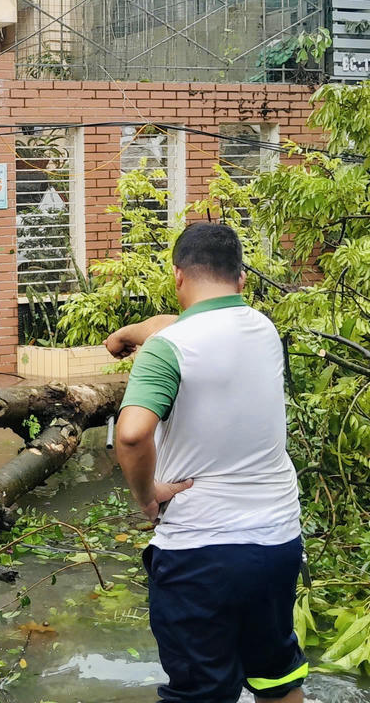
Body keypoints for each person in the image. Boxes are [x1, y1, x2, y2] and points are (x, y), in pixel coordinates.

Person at [108, 222, 306, 703]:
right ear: (241, 280)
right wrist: (126, 334)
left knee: (202, 693)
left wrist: (148, 496)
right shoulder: (264, 329)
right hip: (277, 541)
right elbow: (181, 326)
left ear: (177, 277)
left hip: (200, 551)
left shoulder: (168, 349)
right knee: (277, 674)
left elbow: (131, 435)